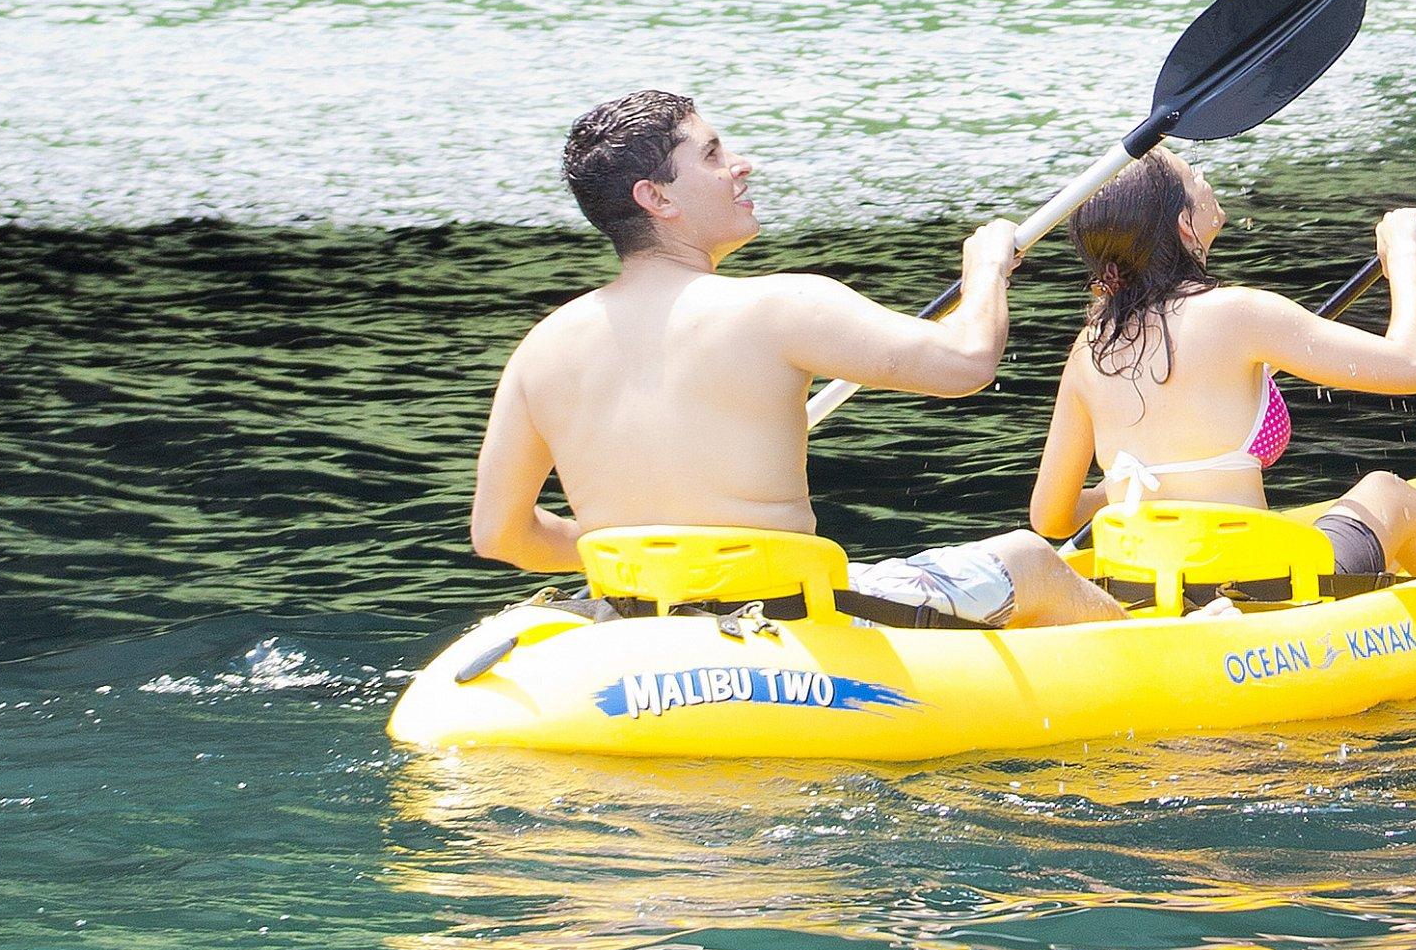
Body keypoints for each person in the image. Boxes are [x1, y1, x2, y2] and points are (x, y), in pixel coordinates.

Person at [467, 87, 1122, 630]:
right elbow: (967, 360)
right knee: (1028, 557)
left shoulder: (541, 350)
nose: (741, 164)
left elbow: (500, 534)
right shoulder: (783, 305)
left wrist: (639, 544)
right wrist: (985, 271)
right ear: (657, 198)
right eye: (714, 153)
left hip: (634, 614)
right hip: (783, 616)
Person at [1023, 152, 1416, 593]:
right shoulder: (1240, 313)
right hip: (1255, 588)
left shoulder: (1090, 349)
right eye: (1192, 173)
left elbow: (1051, 515)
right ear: (1185, 227)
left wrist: (1120, 488)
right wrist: (1403, 257)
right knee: (1385, 492)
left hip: (1147, 588)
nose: (1203, 174)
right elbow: (1414, 366)